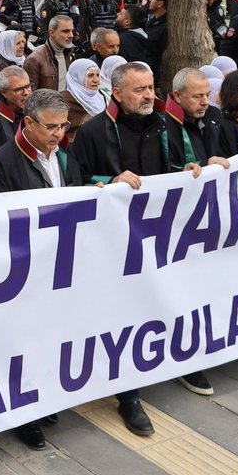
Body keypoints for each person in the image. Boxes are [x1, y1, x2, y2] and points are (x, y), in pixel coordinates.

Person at [71, 62, 196, 437]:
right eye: (139, 90)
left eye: (151, 88)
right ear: (118, 93)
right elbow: (76, 183)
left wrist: (192, 168)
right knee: (122, 316)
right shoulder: (93, 132)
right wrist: (109, 181)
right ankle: (128, 397)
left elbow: (179, 165)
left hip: (158, 236)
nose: (148, 96)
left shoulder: (164, 125)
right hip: (113, 244)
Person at [0, 88, 85, 450]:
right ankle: (24, 415)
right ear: (27, 123)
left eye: (64, 127)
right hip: (23, 273)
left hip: (57, 266)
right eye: (52, 127)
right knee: (21, 344)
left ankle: (43, 398)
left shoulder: (62, 155)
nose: (59, 134)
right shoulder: (3, 165)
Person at [25, 14, 78, 91]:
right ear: (51, 32)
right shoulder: (34, 59)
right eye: (66, 31)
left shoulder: (70, 55)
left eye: (72, 31)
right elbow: (30, 95)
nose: (71, 35)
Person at [61, 58, 106, 143]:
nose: (96, 80)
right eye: (90, 75)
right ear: (76, 77)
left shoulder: (100, 97)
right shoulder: (63, 100)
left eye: (97, 75)